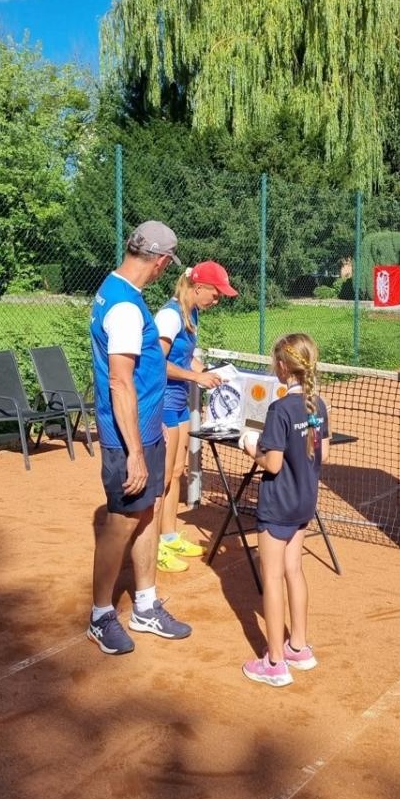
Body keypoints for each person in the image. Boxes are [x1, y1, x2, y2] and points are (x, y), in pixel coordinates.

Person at [87, 220, 192, 655]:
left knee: (146, 512)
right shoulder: (127, 308)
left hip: (144, 429)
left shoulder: (115, 290)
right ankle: (100, 615)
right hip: (126, 438)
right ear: (161, 262)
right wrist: (134, 452)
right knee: (121, 522)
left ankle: (145, 605)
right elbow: (120, 382)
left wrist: (149, 432)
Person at [240, 333, 330, 687]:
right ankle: (299, 647)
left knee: (273, 577)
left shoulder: (279, 410)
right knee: (295, 570)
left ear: (281, 367)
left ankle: (275, 662)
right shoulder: (318, 404)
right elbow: (325, 453)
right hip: (305, 502)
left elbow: (273, 464)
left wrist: (251, 447)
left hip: (278, 504)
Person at [154, 262, 239, 572]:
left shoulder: (192, 314)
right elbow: (156, 363)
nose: (216, 301)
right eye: (215, 295)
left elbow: (187, 358)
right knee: (162, 476)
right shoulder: (168, 316)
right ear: (198, 287)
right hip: (161, 401)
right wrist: (195, 377)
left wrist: (211, 373)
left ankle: (169, 536)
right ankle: (151, 547)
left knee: (177, 471)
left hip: (178, 401)